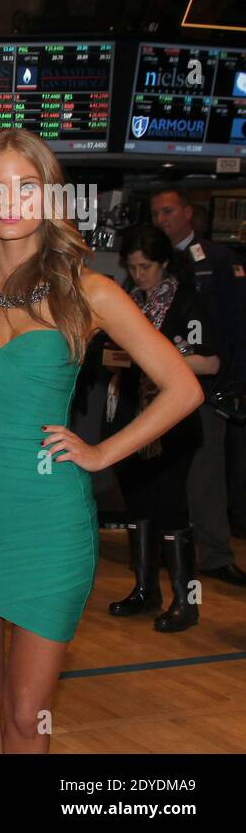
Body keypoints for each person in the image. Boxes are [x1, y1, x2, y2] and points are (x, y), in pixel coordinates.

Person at [0, 129, 202, 753]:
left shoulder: (89, 291)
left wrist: (101, 453)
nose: (11, 201)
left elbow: (182, 387)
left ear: (51, 197)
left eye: (27, 187)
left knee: (25, 715)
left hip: (50, 523)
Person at [104, 227, 220, 632]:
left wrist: (154, 356)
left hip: (171, 425)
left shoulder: (187, 303)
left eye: (146, 267)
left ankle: (187, 602)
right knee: (138, 508)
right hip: (130, 417)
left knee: (172, 511)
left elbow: (209, 362)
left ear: (164, 264)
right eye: (132, 268)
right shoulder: (125, 304)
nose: (139, 275)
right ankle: (145, 590)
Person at [150, 187, 246, 587]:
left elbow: (234, 325)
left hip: (206, 385)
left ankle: (215, 554)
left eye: (168, 211)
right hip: (157, 389)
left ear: (188, 212)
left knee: (206, 474)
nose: (161, 219)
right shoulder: (154, 261)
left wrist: (232, 383)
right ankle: (162, 549)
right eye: (155, 213)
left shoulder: (218, 260)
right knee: (161, 473)